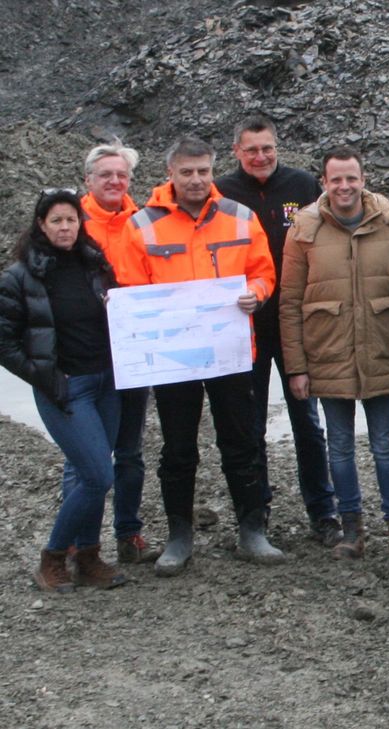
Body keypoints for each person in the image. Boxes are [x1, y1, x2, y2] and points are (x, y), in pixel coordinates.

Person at [117, 136, 286, 576]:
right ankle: (179, 535)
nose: (196, 180)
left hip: (230, 352)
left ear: (214, 171)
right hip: (174, 358)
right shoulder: (142, 225)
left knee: (241, 440)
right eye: (187, 172)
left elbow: (263, 271)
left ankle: (252, 529)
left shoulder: (240, 217)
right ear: (170, 173)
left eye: (204, 172)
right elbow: (130, 287)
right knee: (177, 447)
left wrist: (257, 293)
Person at [280, 146, 389, 565]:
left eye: (352, 178)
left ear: (364, 179)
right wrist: (296, 368)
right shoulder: (303, 228)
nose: (345, 186)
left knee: (386, 445)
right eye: (336, 179)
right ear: (323, 183)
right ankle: (351, 530)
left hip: (381, 348)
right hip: (328, 352)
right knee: (339, 446)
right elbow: (289, 303)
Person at [215, 116, 340, 547]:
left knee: (307, 419)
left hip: (295, 321)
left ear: (276, 146)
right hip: (242, 323)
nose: (260, 156)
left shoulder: (303, 186)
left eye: (267, 148)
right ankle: (257, 511)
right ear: (237, 152)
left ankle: (323, 511)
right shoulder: (223, 193)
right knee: (249, 424)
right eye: (251, 150)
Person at [0, 190, 127, 591]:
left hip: (107, 383)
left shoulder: (94, 264)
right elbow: (4, 342)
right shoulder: (20, 276)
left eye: (71, 219)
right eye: (56, 220)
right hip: (67, 390)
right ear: (41, 225)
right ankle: (53, 557)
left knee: (92, 473)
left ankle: (88, 558)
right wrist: (44, 377)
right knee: (96, 475)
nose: (65, 227)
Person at [72, 142, 159, 563]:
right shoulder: (72, 222)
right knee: (85, 455)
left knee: (130, 451)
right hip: (86, 355)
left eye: (121, 174)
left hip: (133, 352)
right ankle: (79, 540)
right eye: (105, 174)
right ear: (88, 179)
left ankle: (128, 534)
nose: (114, 181)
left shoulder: (143, 222)